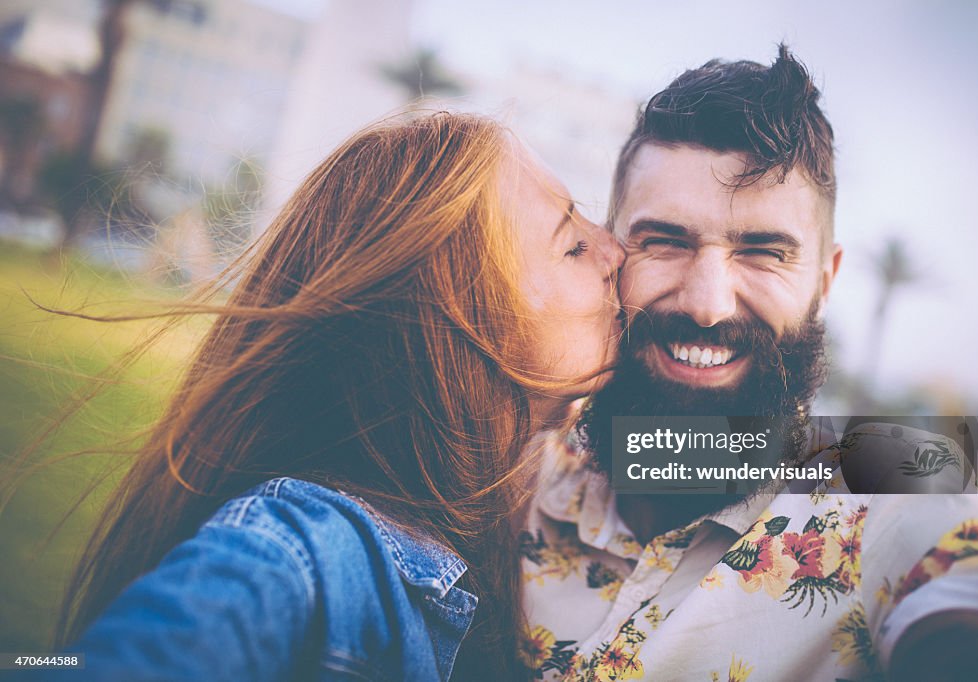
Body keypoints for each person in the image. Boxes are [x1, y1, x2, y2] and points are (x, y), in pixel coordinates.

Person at [42, 111, 625, 681]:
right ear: (452, 324)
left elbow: (715, 461)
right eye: (573, 244)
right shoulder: (305, 549)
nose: (615, 252)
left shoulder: (556, 468)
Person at [518, 46, 978, 680]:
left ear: (825, 280)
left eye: (763, 253)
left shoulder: (892, 492)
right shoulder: (515, 472)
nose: (707, 305)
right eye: (666, 242)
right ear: (614, 250)